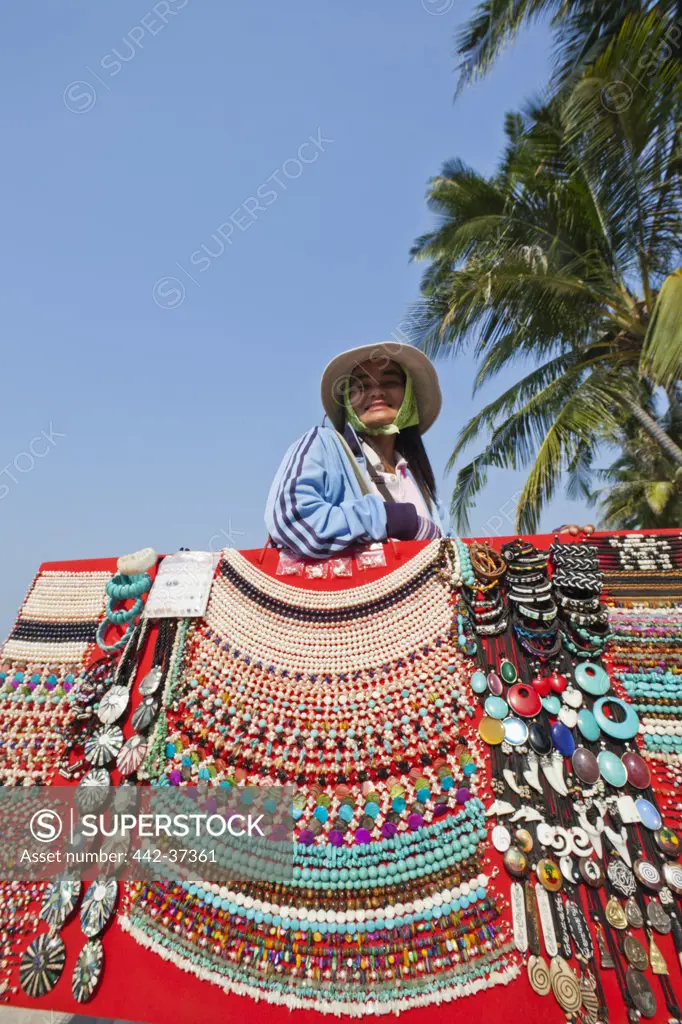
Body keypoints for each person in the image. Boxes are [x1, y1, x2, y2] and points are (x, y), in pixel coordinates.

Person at [264, 342, 446, 559]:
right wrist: (391, 519)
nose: (376, 392)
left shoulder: (422, 486)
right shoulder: (323, 444)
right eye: (361, 386)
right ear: (347, 402)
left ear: (408, 397)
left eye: (389, 382)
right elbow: (292, 520)